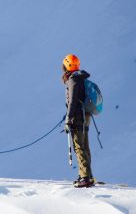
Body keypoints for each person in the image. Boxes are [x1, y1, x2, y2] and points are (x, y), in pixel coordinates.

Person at [62, 54, 94, 188]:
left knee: (79, 146)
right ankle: (86, 175)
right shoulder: (80, 78)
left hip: (78, 117)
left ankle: (85, 177)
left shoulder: (73, 80)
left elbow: (72, 101)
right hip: (85, 115)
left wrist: (68, 119)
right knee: (84, 146)